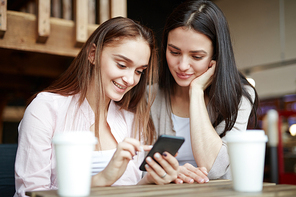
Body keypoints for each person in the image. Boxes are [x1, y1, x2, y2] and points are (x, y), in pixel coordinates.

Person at [14, 17, 179, 197]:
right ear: (93, 54)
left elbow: (130, 191)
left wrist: (149, 181)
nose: (131, 79)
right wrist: (102, 179)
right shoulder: (46, 109)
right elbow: (29, 193)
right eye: (122, 65)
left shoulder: (132, 120)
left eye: (139, 71)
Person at [150, 0, 259, 183]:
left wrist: (197, 91)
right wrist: (170, 174)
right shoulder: (148, 97)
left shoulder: (239, 97)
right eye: (174, 52)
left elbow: (213, 168)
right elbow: (135, 171)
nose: (183, 66)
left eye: (196, 56)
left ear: (216, 55)